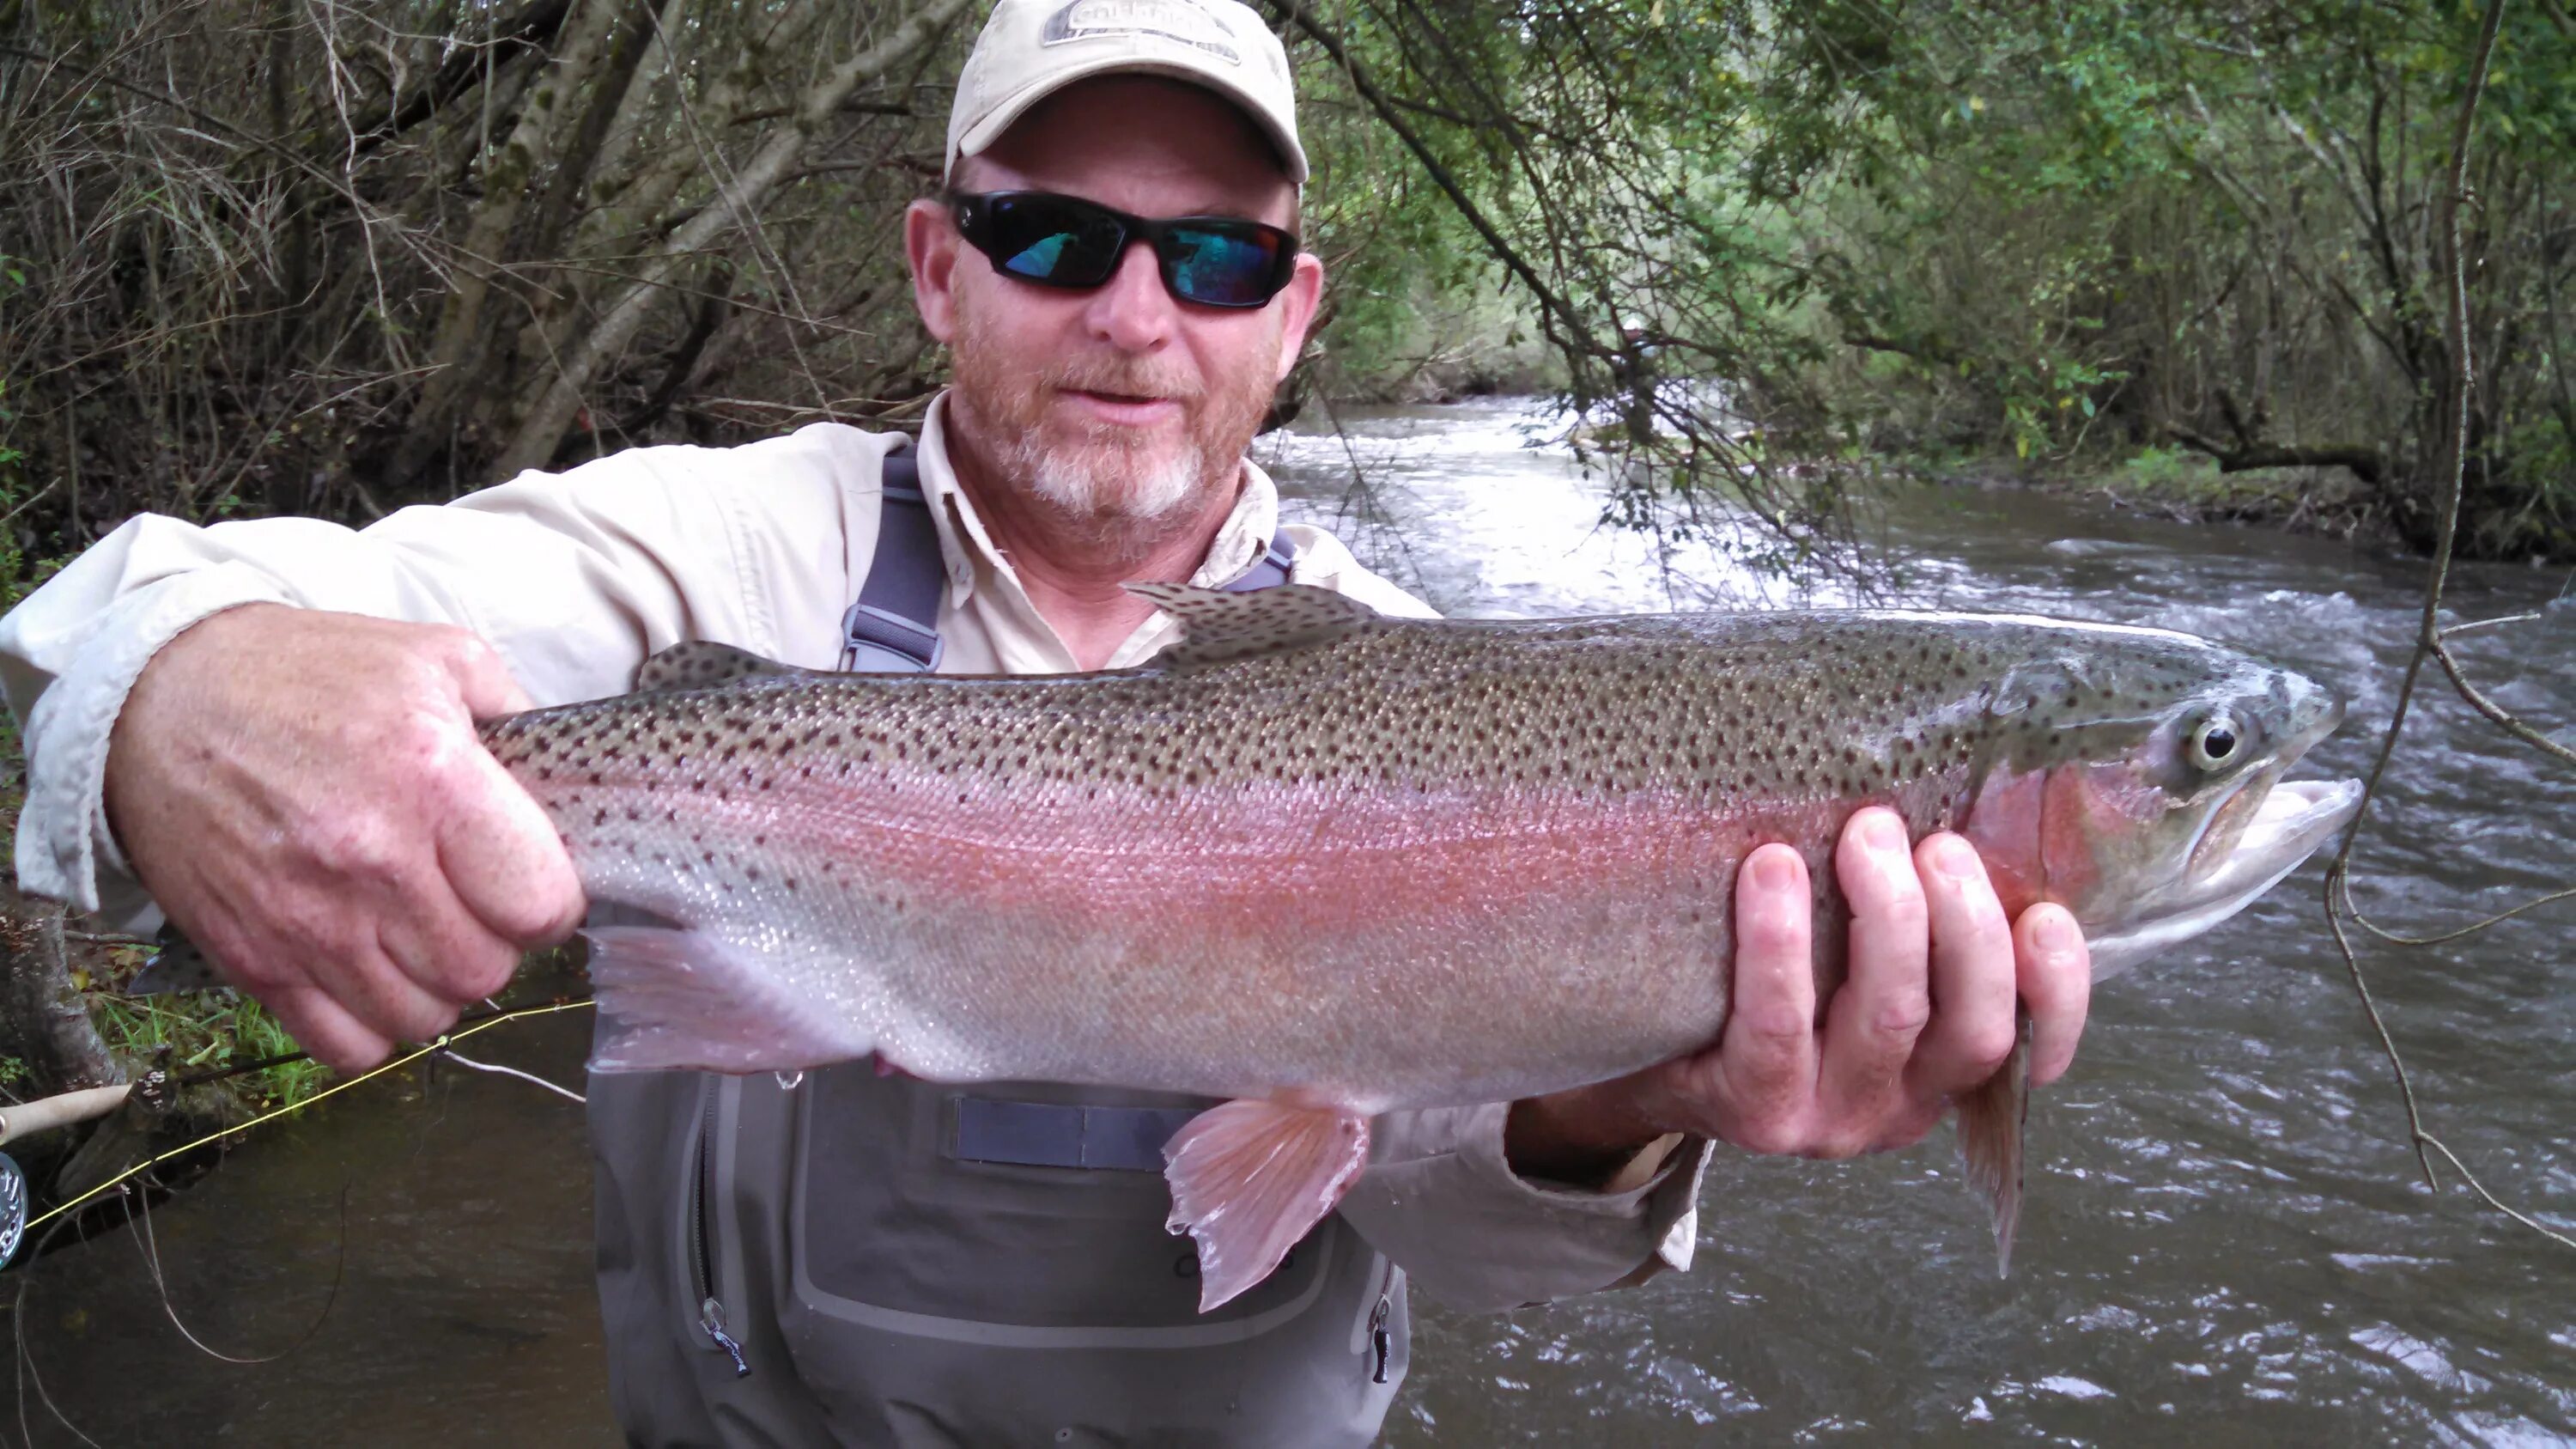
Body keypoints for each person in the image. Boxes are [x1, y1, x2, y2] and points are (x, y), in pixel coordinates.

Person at [0, 0, 2092, 1440]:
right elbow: (141, 615)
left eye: (1207, 256)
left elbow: (1470, 1226)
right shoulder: (717, 553)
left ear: (1295, 312)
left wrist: (1640, 1094)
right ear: (936, 266)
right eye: (1054, 235)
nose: (1131, 311)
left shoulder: (1451, 692)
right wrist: (178, 689)